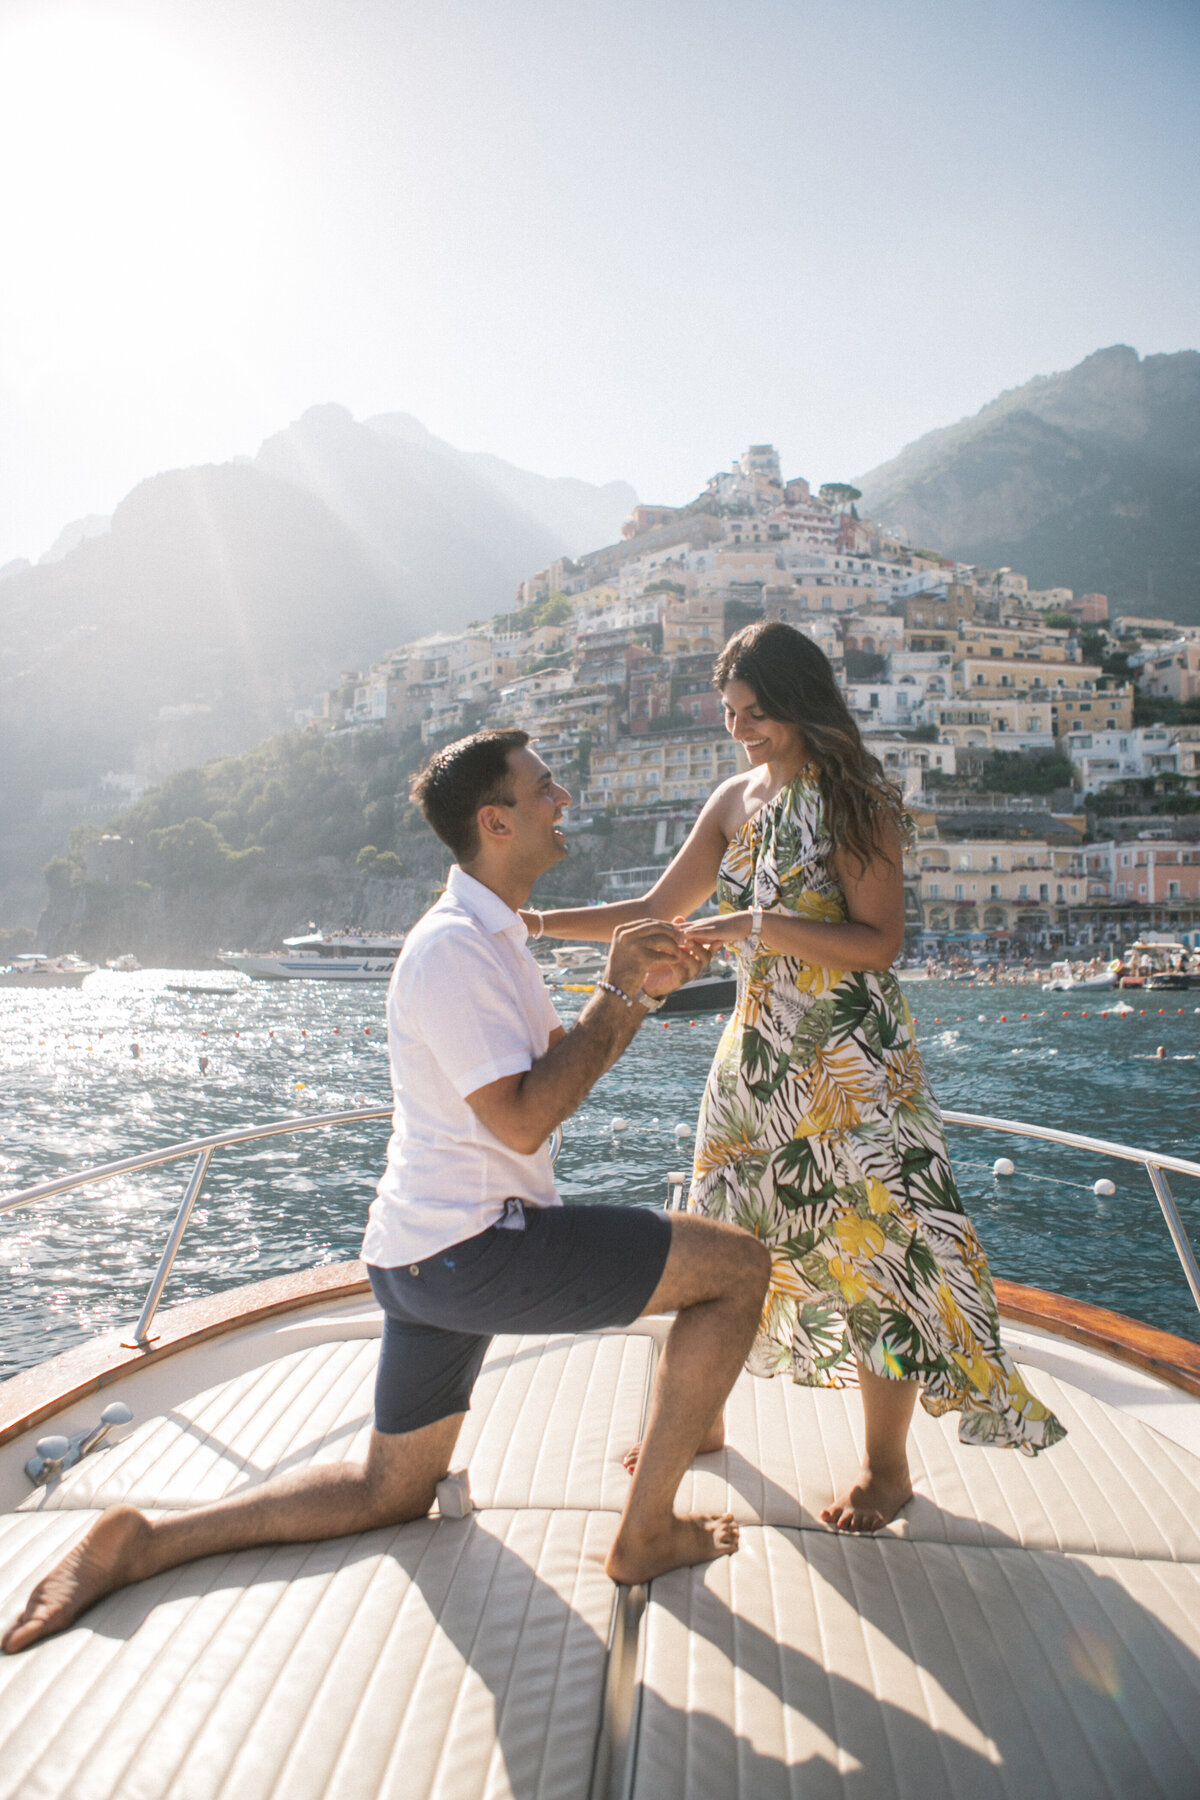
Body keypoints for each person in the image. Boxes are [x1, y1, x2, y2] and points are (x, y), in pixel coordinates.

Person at [2, 729, 770, 1655]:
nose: (562, 801)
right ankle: (646, 1532)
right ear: (496, 821)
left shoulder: (489, 940)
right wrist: (623, 996)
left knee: (390, 1491)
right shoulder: (454, 952)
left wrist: (635, 993)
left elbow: (543, 1078)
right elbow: (525, 1122)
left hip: (423, 1252)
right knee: (737, 1268)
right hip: (478, 1247)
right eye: (544, 789)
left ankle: (146, 1541)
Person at [526, 622, 1065, 1534]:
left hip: (855, 1071)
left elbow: (878, 943)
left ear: (799, 699)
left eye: (756, 713)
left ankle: (886, 1470)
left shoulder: (855, 800)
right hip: (755, 1068)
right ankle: (699, 1423)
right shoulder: (734, 797)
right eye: (732, 716)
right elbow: (659, 909)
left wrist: (756, 926)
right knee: (718, 1247)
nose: (742, 731)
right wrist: (530, 923)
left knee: (879, 1261)